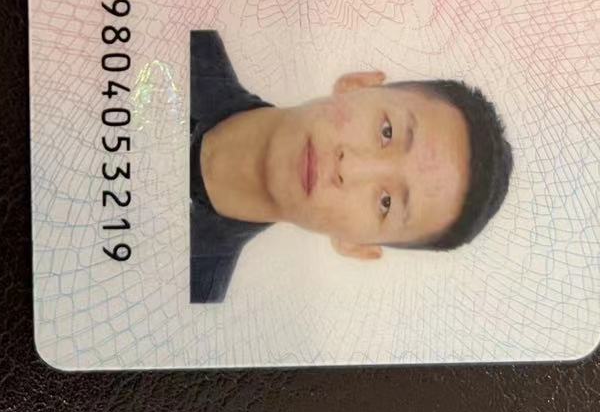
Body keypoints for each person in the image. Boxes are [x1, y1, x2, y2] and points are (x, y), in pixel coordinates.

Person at [189, 29, 513, 304]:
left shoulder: (192, 292)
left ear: (357, 245)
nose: (351, 168)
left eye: (385, 203)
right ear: (357, 85)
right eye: (387, 132)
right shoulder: (187, 40)